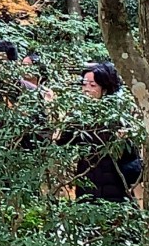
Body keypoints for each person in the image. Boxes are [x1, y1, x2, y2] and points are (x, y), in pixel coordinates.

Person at [61, 62, 142, 203]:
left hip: (114, 189)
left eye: (92, 86)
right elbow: (62, 142)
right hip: (87, 185)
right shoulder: (78, 116)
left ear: (104, 89)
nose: (86, 90)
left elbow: (131, 156)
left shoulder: (118, 117)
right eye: (84, 84)